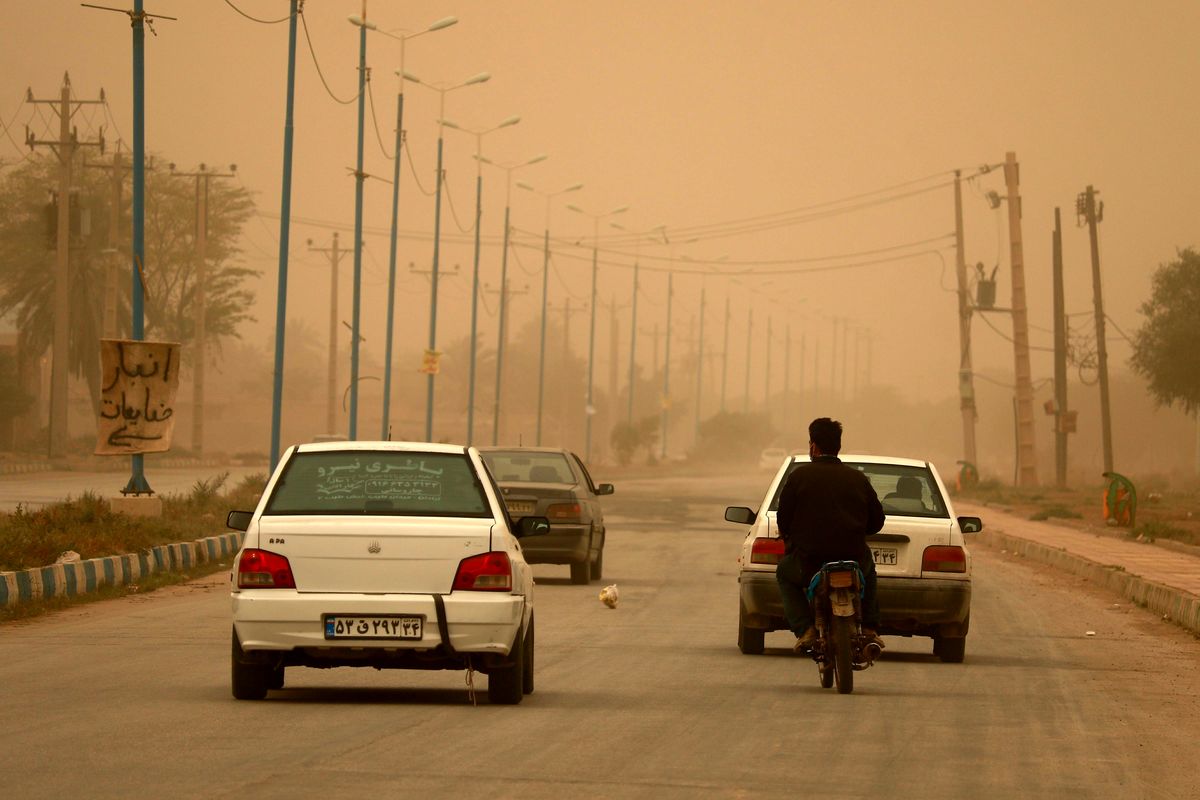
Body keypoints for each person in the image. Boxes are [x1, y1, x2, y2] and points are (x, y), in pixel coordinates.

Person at [775, 417, 885, 651]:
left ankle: (805, 629)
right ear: (838, 446)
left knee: (784, 572)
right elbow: (877, 521)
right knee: (870, 571)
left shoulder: (798, 477)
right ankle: (869, 628)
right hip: (853, 559)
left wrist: (790, 537)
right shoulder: (857, 478)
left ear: (813, 446)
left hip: (809, 563)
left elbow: (783, 519)